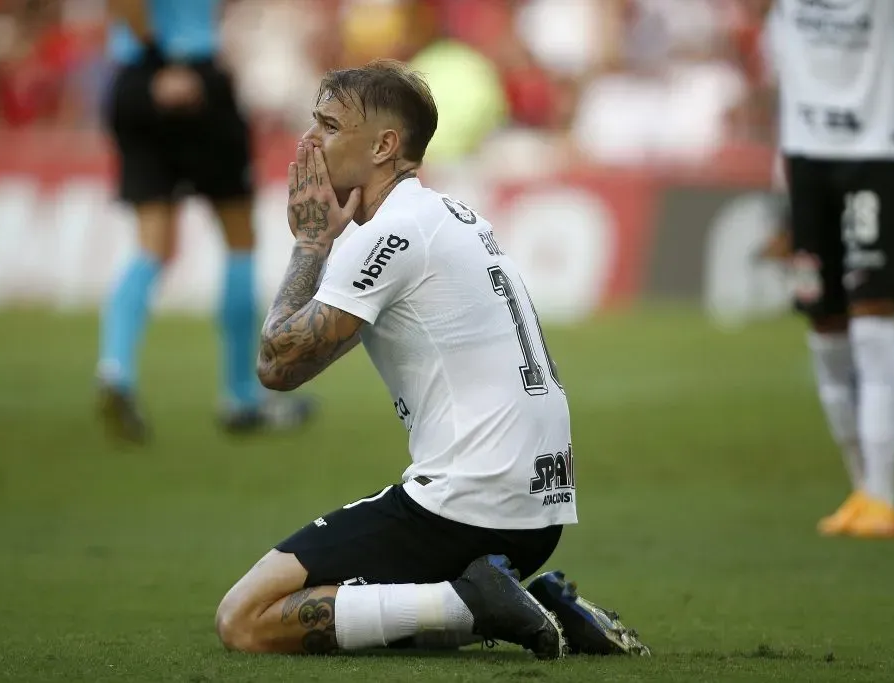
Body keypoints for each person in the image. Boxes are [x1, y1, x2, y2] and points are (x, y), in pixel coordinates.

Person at [213, 60, 650, 658]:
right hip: (536, 511)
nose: (309, 142)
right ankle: (521, 602)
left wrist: (311, 243)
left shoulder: (388, 233)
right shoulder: (443, 217)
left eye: (329, 126)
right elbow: (294, 366)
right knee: (358, 609)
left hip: (470, 505)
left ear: (385, 145)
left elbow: (273, 364)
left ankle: (475, 604)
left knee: (246, 619)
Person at [96, 0, 314, 443]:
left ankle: (115, 368)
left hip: (134, 82)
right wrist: (168, 62)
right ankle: (240, 397)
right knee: (239, 239)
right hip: (187, 74)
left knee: (151, 245)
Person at [767, 0, 894, 537]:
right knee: (824, 330)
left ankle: (884, 495)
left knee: (872, 322)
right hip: (804, 158)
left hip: (875, 153)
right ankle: (861, 489)